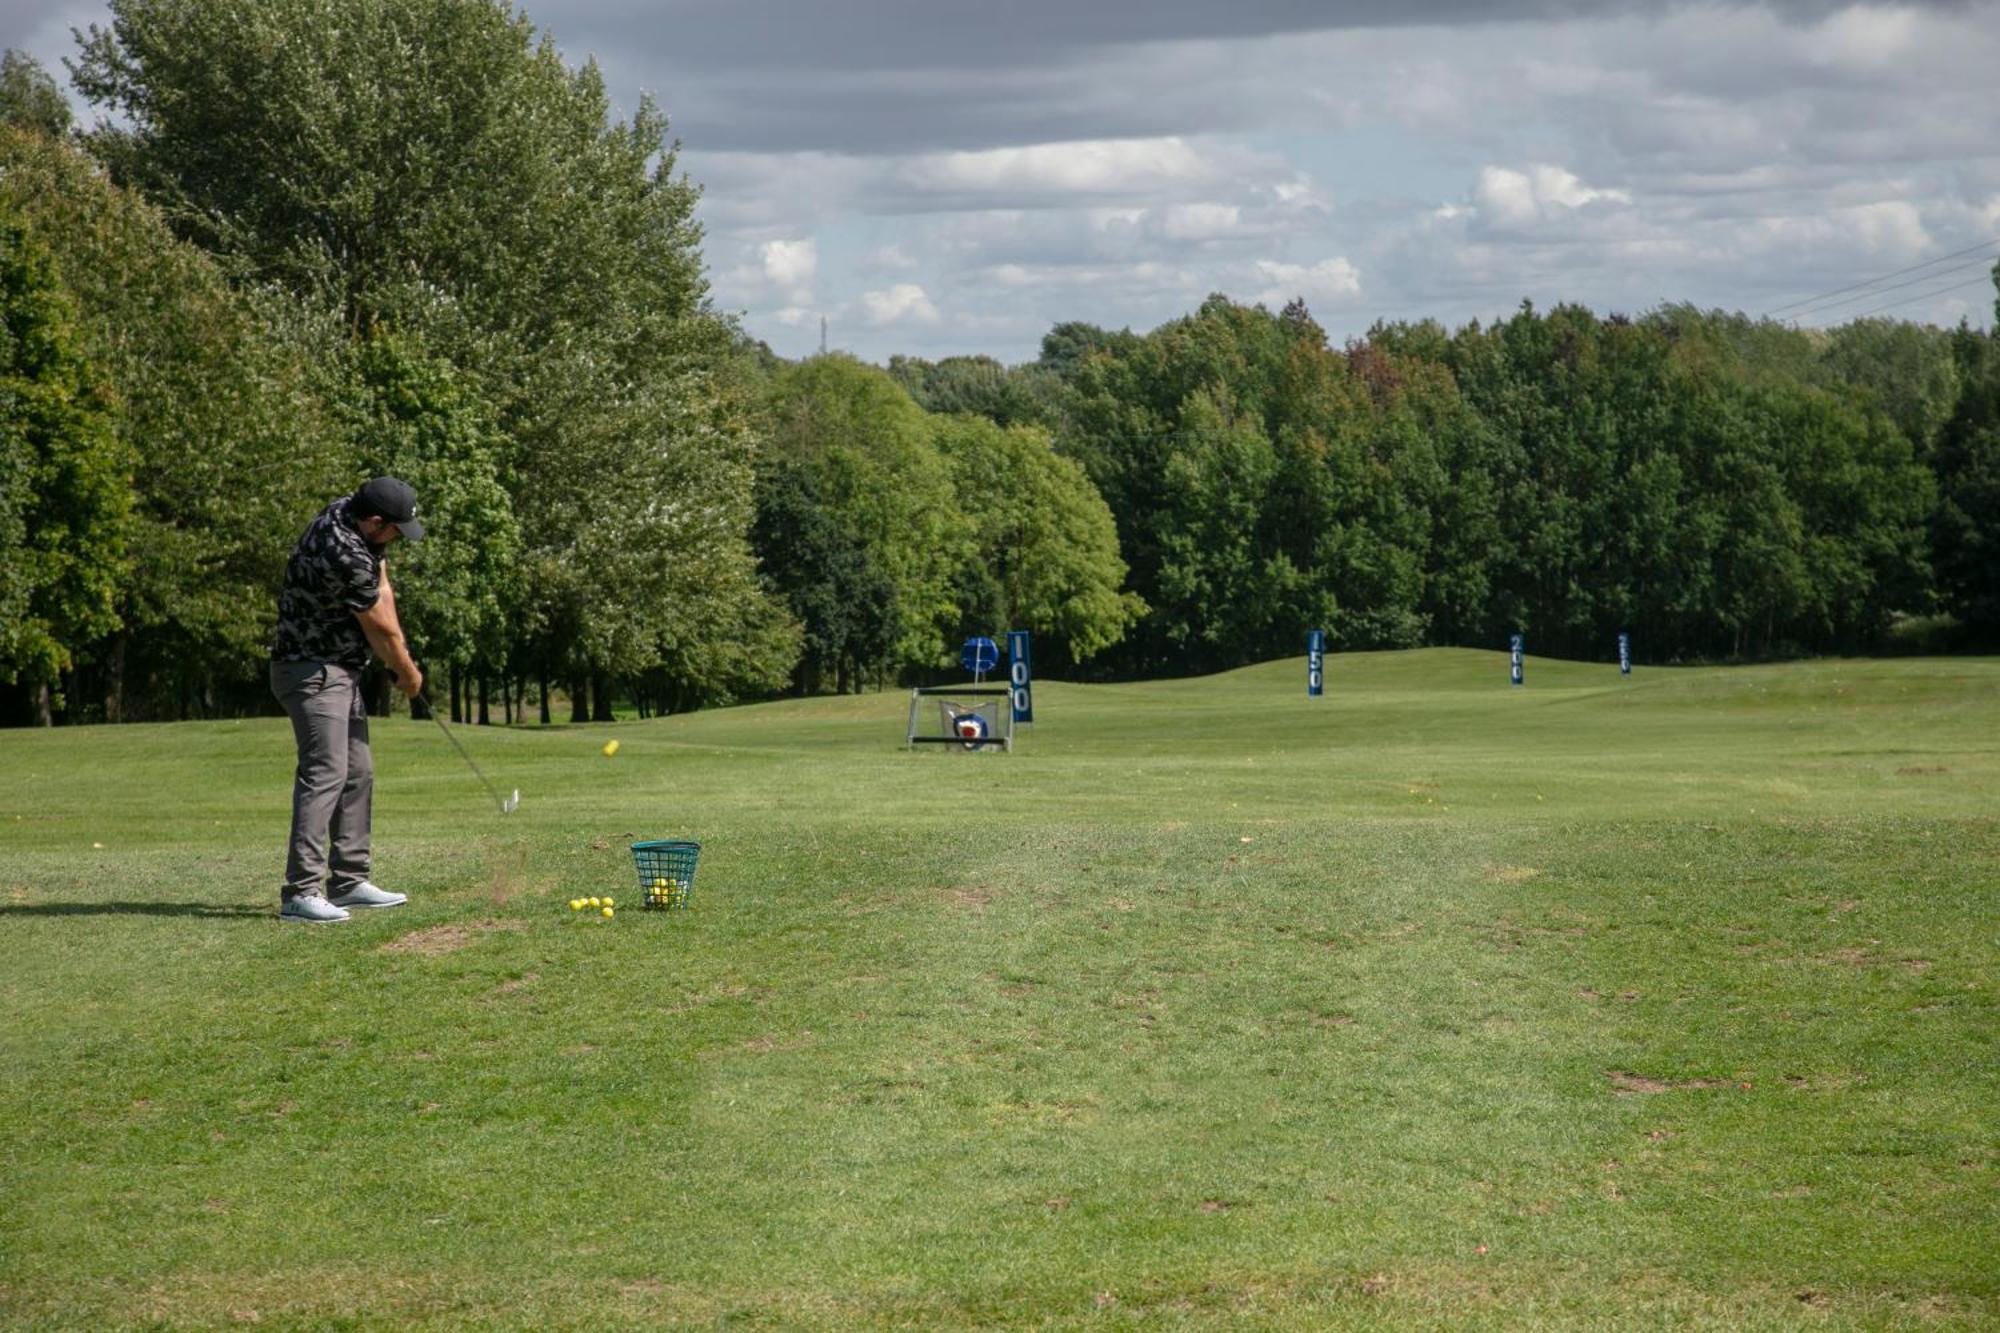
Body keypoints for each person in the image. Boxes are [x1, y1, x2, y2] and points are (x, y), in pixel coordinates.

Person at [269, 477, 426, 923]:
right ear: (376, 522)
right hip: (311, 670)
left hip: (337, 669)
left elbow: (383, 587)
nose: (398, 538)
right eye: (396, 529)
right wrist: (408, 674)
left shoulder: (350, 512)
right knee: (325, 773)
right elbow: (379, 627)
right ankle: (300, 893)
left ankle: (349, 881)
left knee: (358, 771)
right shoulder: (344, 552)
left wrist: (402, 655)